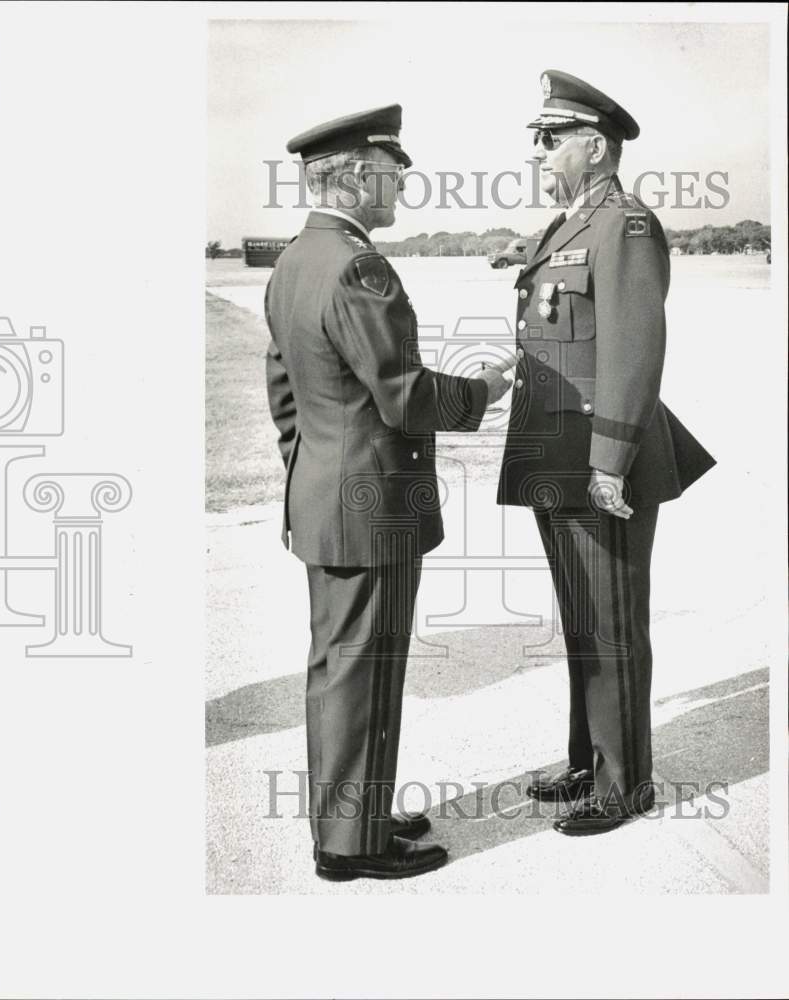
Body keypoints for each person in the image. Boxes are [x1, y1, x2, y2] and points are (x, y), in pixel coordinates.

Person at [265, 104, 511, 878]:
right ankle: (350, 847)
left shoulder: (295, 259)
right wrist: (482, 390)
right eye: (390, 172)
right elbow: (401, 394)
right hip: (370, 507)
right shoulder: (357, 264)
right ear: (354, 175)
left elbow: (282, 389)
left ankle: (357, 816)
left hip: (329, 498)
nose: (399, 184)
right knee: (361, 670)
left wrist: (308, 476)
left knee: (345, 666)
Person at [497, 71, 716, 835]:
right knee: (583, 617)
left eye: (549, 139)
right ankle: (589, 761)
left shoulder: (624, 225)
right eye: (536, 139)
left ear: (594, 147)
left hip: (598, 456)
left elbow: (631, 346)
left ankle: (624, 786)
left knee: (612, 622)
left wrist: (610, 460)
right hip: (554, 450)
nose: (536, 152)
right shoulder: (570, 223)